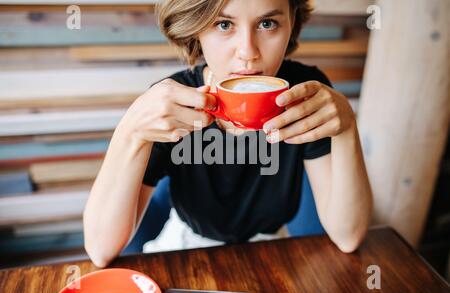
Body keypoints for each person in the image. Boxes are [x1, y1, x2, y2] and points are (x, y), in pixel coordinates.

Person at [83, 0, 373, 268]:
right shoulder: (173, 103)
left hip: (272, 252)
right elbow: (100, 249)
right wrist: (130, 132)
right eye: (224, 25)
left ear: (291, 21)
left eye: (267, 24)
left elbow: (348, 236)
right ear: (196, 29)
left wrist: (346, 127)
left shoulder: (306, 95)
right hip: (188, 249)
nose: (248, 52)